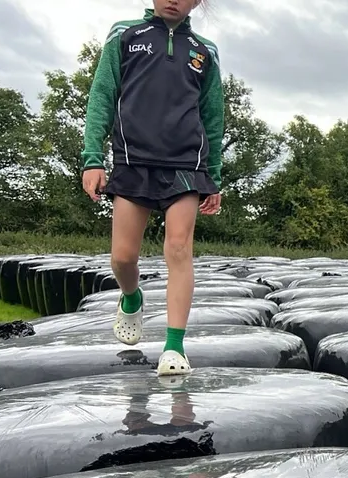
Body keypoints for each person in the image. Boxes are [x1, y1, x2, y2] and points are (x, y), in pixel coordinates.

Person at [80, 0, 224, 375]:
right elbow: (102, 96)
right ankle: (131, 297)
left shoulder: (205, 51)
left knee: (179, 248)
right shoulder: (124, 35)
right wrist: (92, 158)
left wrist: (215, 176)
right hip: (133, 159)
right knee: (123, 258)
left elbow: (213, 116)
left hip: (186, 165)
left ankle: (174, 347)